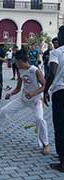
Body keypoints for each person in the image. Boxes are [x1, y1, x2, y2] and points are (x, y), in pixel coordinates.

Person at [0, 49, 49, 155]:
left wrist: (33, 93)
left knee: (39, 119)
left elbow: (45, 85)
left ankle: (46, 144)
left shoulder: (35, 70)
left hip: (36, 100)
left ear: (22, 61)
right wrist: (10, 93)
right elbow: (18, 88)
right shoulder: (20, 71)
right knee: (4, 110)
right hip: (23, 99)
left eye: (16, 61)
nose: (15, 63)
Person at [44, 25, 64, 172]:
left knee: (60, 126)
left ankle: (62, 161)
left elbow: (52, 72)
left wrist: (45, 90)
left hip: (60, 92)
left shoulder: (56, 52)